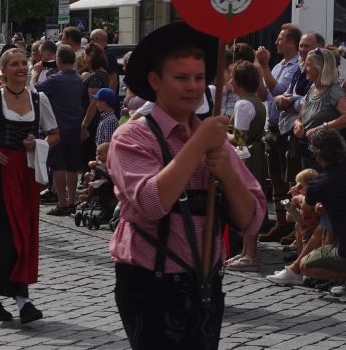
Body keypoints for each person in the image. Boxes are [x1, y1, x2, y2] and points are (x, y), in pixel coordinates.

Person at [111, 22, 265, 349]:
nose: (193, 87)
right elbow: (152, 203)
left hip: (206, 283)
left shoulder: (214, 140)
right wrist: (197, 145)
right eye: (181, 78)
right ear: (155, 81)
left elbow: (252, 220)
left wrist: (228, 173)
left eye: (198, 78)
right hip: (150, 284)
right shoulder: (132, 137)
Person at [0, 48, 59, 324]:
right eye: (14, 64)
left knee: (24, 234)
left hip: (26, 173)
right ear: (4, 69)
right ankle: (15, 300)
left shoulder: (39, 98)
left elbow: (55, 134)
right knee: (1, 236)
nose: (21, 68)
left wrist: (38, 144)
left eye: (24, 62)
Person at [267, 129, 346, 300]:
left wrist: (298, 197)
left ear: (317, 155)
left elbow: (306, 210)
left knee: (306, 265)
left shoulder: (320, 182)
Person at [256, 23, 304, 242]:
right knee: (275, 179)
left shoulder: (295, 67)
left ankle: (296, 225)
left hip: (286, 131)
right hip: (272, 129)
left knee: (289, 180)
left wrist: (265, 66)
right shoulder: (278, 66)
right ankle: (282, 223)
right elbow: (265, 94)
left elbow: (277, 91)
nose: (276, 41)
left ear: (292, 42)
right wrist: (261, 69)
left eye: (281, 38)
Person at [224, 60, 268, 272]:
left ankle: (250, 254)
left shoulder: (243, 104)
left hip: (246, 157)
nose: (229, 80)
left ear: (239, 81)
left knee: (247, 202)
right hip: (256, 153)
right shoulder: (256, 100)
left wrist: (223, 132)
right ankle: (245, 251)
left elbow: (239, 139)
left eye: (232, 77)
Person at [36, 45, 84, 216]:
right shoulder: (79, 79)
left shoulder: (56, 79)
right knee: (72, 167)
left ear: (58, 59)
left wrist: (36, 72)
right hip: (75, 127)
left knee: (58, 166)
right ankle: (72, 201)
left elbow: (35, 91)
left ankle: (62, 202)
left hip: (58, 128)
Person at [292, 48, 346, 171]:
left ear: (322, 67)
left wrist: (322, 127)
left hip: (325, 156)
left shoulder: (334, 90)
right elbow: (300, 118)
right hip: (307, 152)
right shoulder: (312, 89)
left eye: (309, 65)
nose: (305, 68)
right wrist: (297, 125)